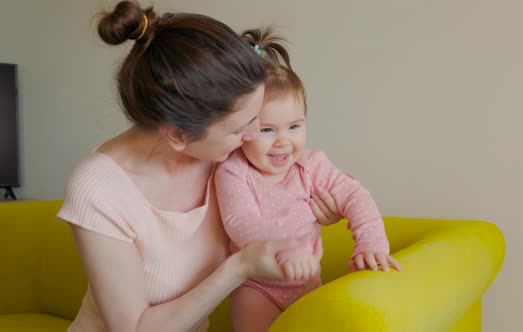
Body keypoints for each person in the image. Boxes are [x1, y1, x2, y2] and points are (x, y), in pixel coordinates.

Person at [56, 2, 341, 331]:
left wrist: (312, 212)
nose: (252, 136)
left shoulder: (229, 159)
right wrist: (239, 268)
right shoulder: (99, 188)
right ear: (179, 135)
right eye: (238, 129)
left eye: (256, 120)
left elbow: (284, 197)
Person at [214, 28, 403, 332]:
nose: (282, 142)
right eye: (267, 130)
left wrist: (371, 243)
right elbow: (239, 221)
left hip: (307, 284)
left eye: (294, 126)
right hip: (256, 286)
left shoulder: (312, 165)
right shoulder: (234, 171)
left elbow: (355, 196)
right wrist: (284, 247)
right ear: (241, 129)